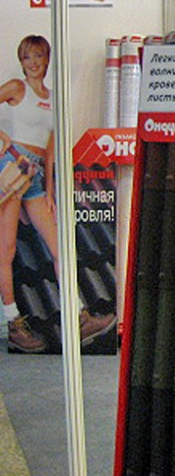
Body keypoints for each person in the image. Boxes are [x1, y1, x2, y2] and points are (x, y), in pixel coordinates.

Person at [0, 36, 114, 353]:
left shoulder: (53, 98)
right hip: (12, 167)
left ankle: (79, 317)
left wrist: (50, 188)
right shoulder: (16, 88)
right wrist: (4, 138)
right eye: (27, 57)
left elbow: (51, 146)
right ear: (21, 62)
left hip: (36, 176)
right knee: (6, 250)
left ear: (47, 59)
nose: (33, 62)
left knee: (60, 248)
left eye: (38, 56)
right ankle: (14, 324)